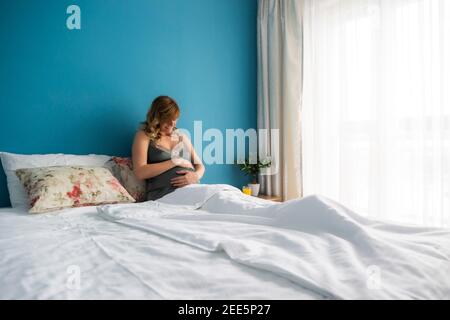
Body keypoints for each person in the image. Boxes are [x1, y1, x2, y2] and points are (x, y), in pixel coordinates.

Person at [132, 96, 205, 200]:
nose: (172, 124)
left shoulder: (181, 136)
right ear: (157, 117)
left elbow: (200, 165)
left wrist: (196, 176)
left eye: (175, 119)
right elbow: (140, 172)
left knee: (223, 196)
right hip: (164, 194)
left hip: (192, 189)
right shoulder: (144, 135)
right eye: (167, 120)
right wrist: (175, 161)